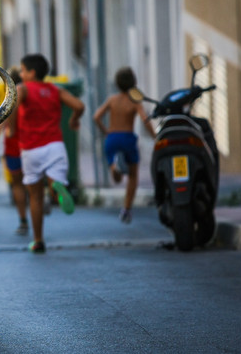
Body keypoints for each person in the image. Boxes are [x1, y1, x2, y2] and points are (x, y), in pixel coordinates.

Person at [10, 54, 84, 253]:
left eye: (23, 70)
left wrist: (12, 129)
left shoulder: (22, 89)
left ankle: (38, 240)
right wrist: (74, 120)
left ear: (32, 73)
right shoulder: (55, 90)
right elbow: (79, 106)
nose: (22, 74)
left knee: (34, 197)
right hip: (55, 146)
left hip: (31, 148)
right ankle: (56, 189)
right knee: (55, 182)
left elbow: (12, 108)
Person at [93, 67, 156, 224]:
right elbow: (145, 119)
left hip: (112, 138)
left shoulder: (111, 100)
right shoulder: (135, 101)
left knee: (117, 177)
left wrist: (106, 131)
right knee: (133, 176)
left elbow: (96, 117)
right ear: (133, 82)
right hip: (127, 138)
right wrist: (155, 136)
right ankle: (126, 210)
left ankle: (114, 168)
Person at [2, 67, 28, 235]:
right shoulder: (30, 94)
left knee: (17, 183)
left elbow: (6, 117)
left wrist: (10, 129)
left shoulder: (11, 96)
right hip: (32, 141)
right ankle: (51, 195)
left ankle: (23, 220)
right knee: (34, 182)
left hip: (13, 144)